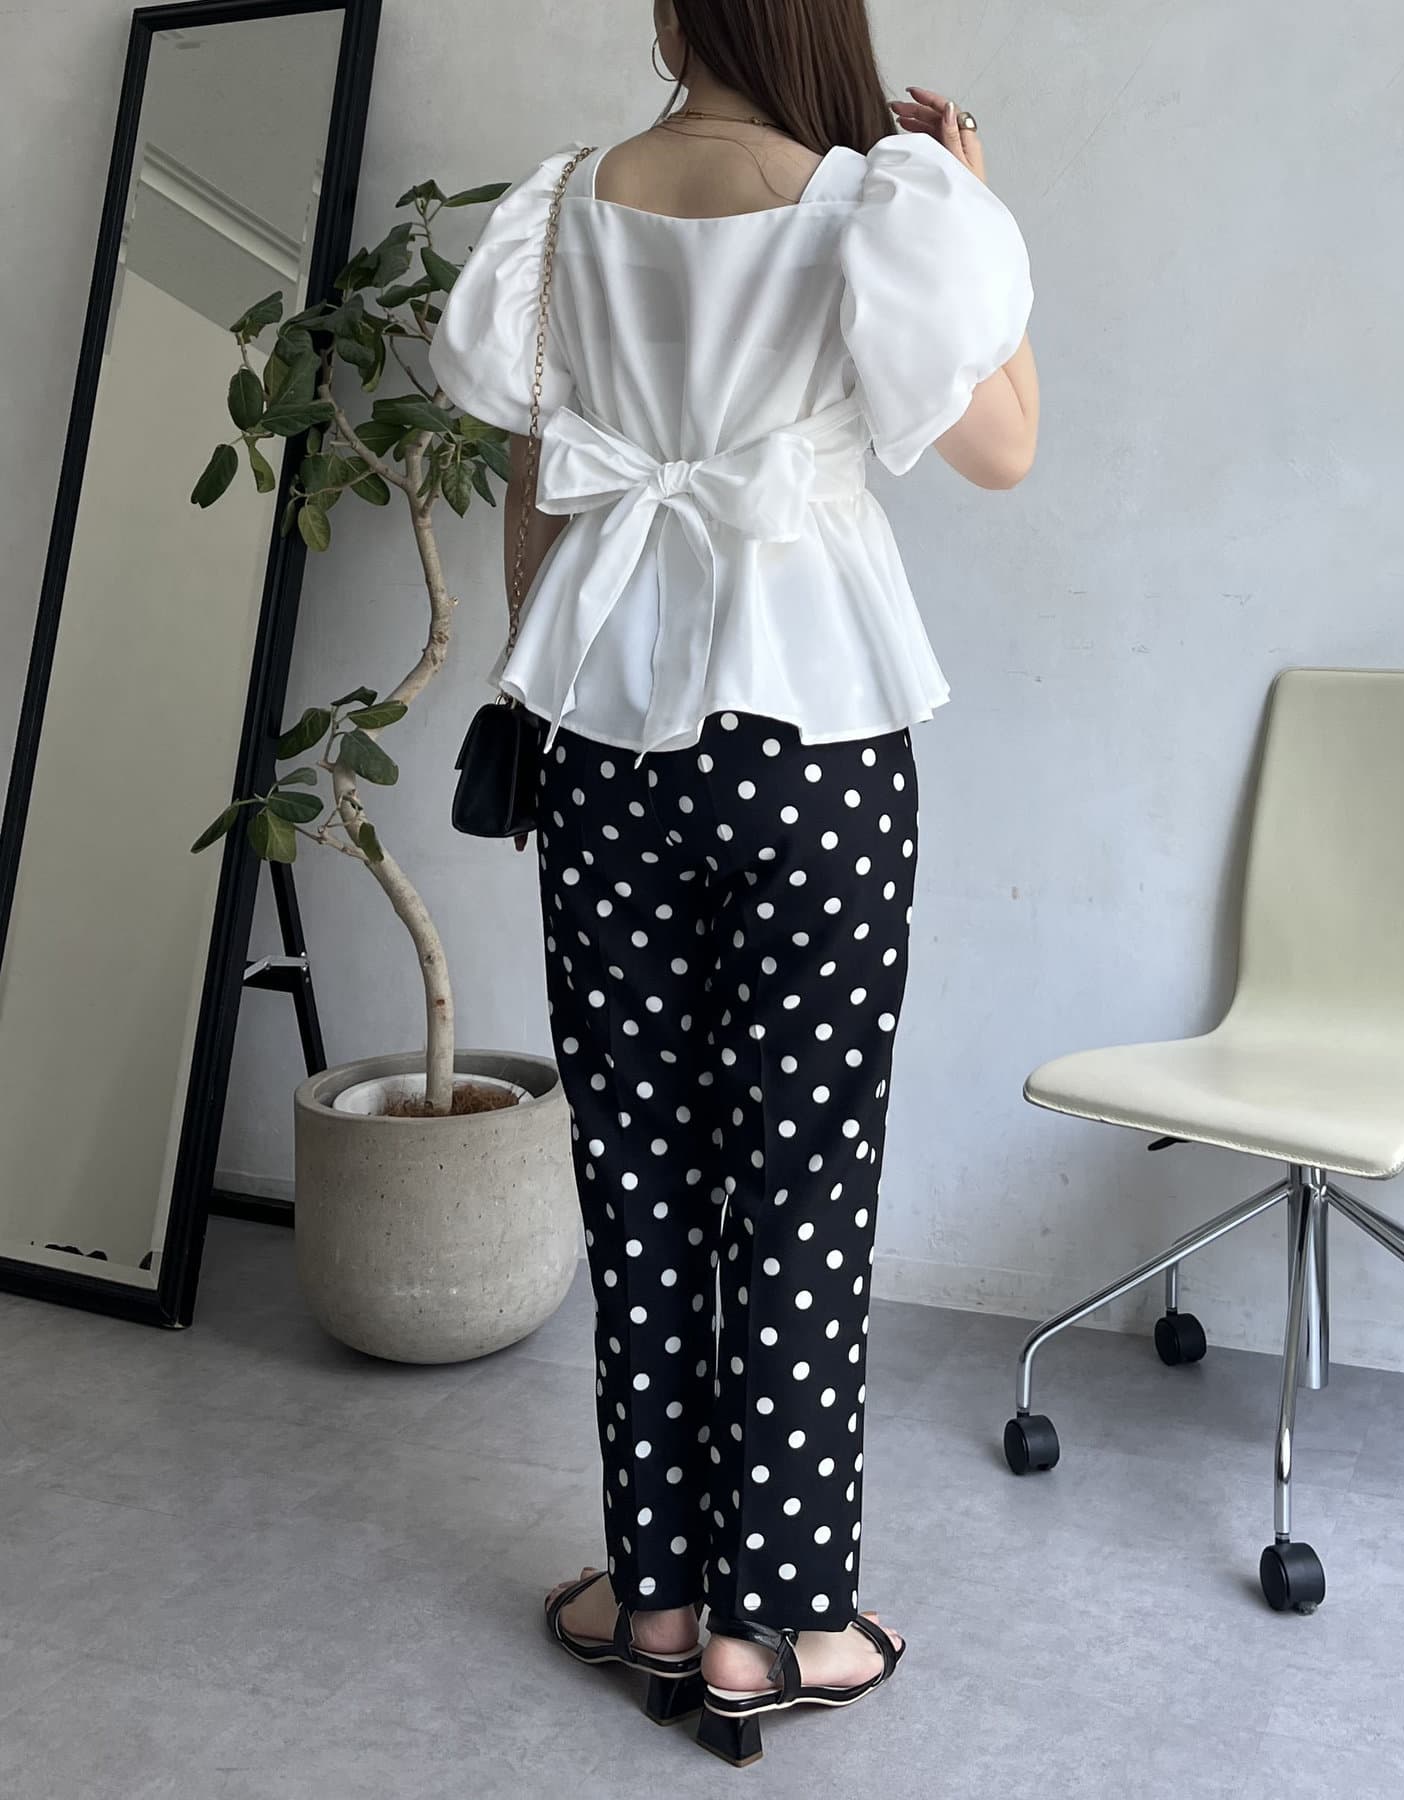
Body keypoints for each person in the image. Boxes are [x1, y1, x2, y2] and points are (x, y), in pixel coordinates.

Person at [429, 0, 1039, 1767]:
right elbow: (1002, 446)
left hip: (607, 737)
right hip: (815, 743)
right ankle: (780, 1625)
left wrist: (539, 687)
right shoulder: (878, 205)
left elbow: (537, 487)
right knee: (802, 1180)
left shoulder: (562, 207)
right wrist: (976, 205)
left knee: (636, 1175)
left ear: (670, 11)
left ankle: (658, 1597)